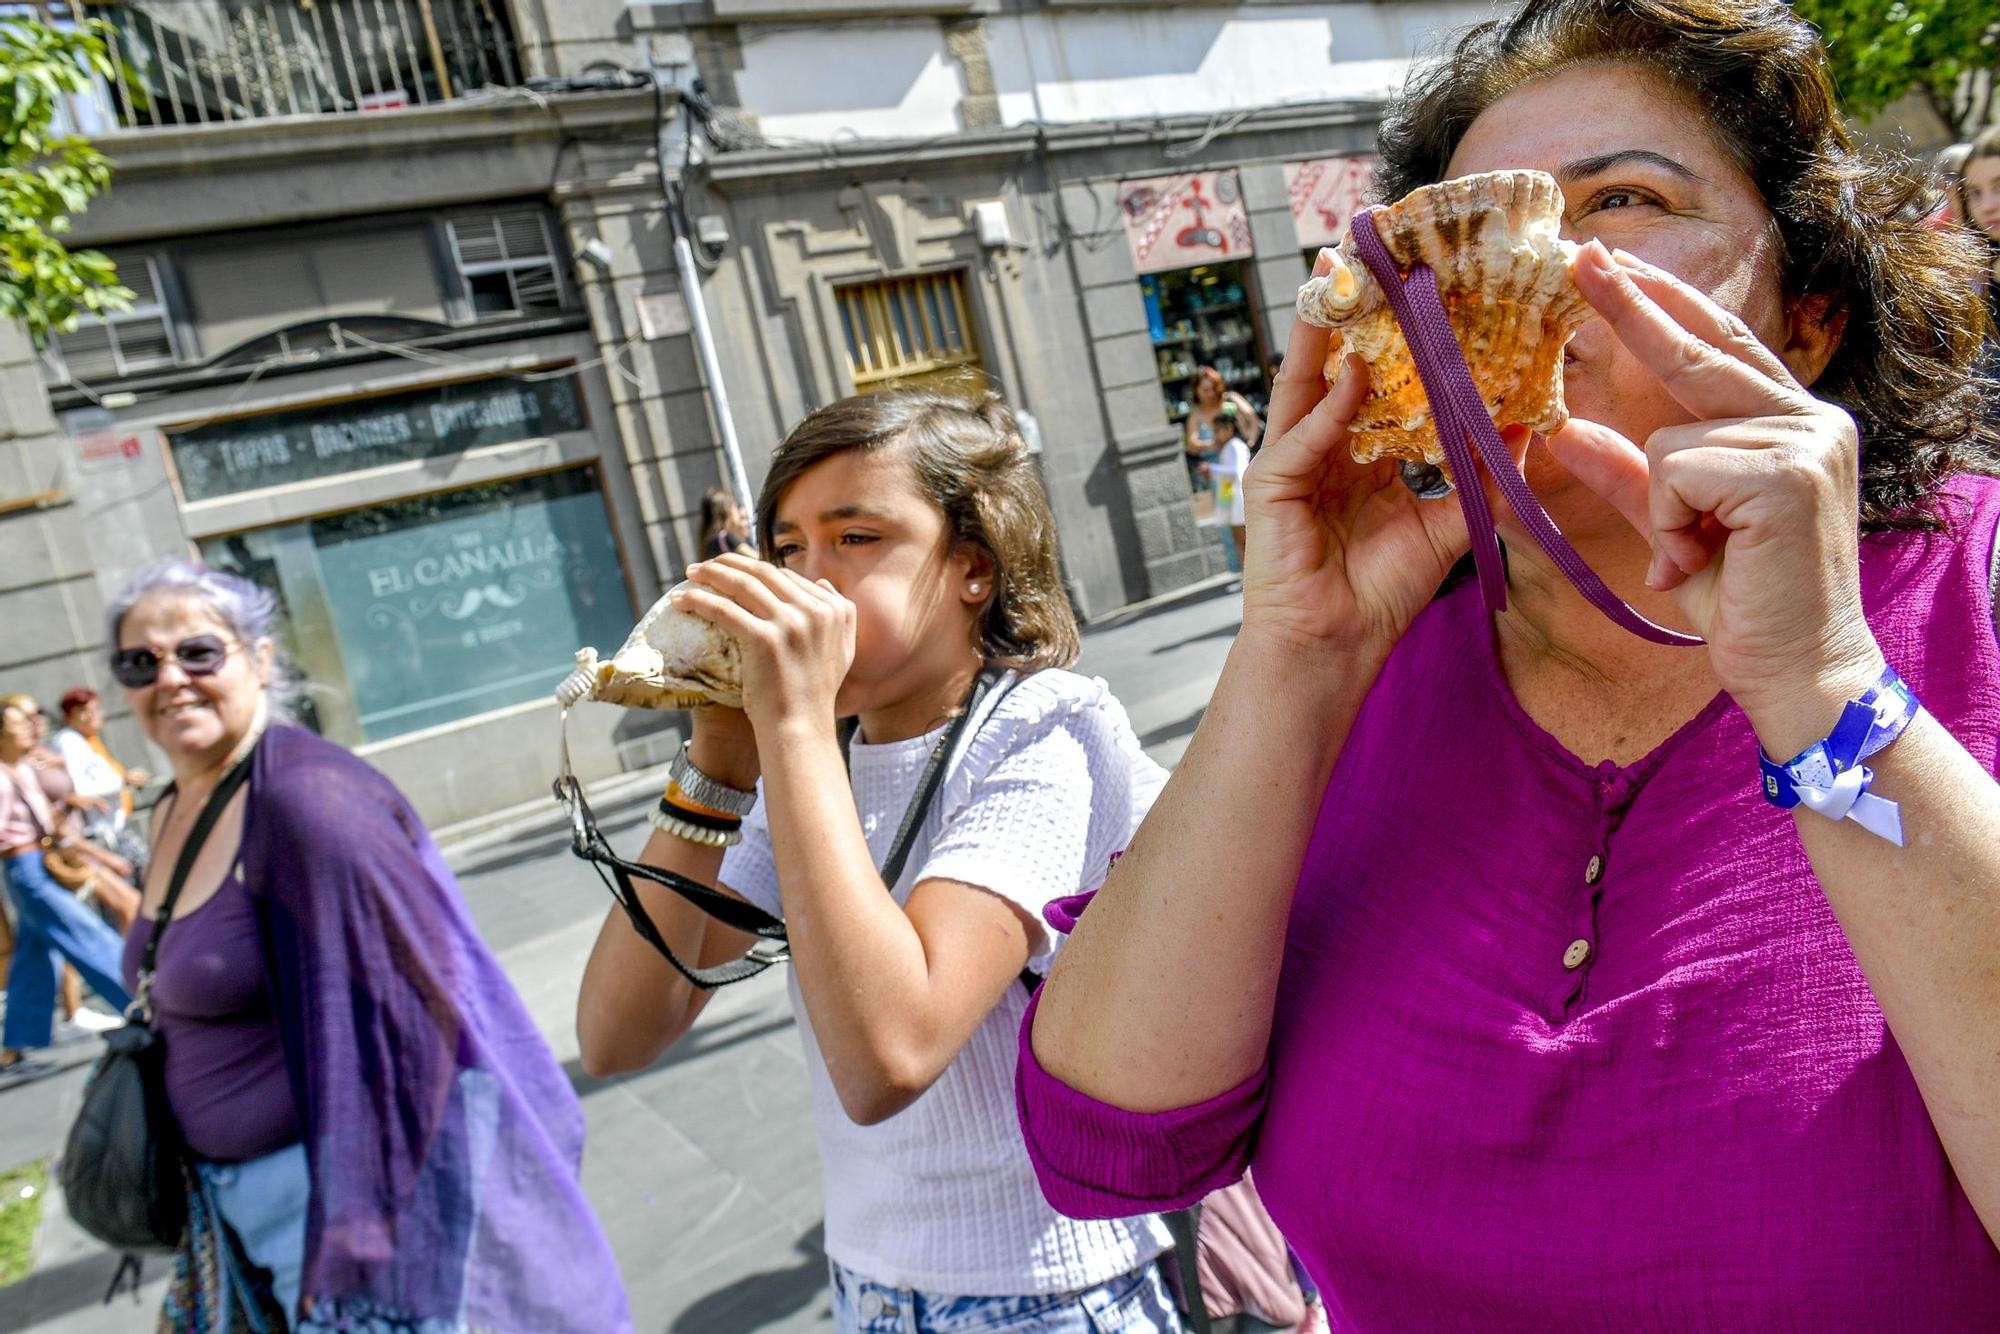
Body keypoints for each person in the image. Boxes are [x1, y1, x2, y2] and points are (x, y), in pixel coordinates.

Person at [1018, 0, 2000, 1326]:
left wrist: (1823, 681)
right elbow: (1109, 1148)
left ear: (1809, 319)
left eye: (1622, 200)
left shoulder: (1973, 591)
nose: (1524, 262)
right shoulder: (1369, 665)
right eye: (1472, 226)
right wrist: (1296, 653)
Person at [577, 388, 1181, 1332]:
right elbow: (620, 1033)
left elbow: (889, 1057)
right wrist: (715, 771)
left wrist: (789, 728)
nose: (808, 585)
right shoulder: (810, 763)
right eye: (786, 547)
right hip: (869, 1284)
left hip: (1051, 1291)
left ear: (973, 566)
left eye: (855, 539)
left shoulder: (1040, 728)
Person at [104, 560, 628, 1331]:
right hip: (233, 1205)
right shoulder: (172, 804)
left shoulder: (309, 805)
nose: (170, 678)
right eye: (139, 662)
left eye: (198, 652)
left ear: (260, 657)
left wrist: (358, 1240)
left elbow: (418, 1033)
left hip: (332, 1211)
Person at [1, 693, 132, 1085]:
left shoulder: (21, 767)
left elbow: (52, 819)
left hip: (37, 863)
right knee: (88, 936)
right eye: (19, 721)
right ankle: (148, 1008)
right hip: (24, 868)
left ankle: (12, 1051)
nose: (30, 726)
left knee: (34, 960)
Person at [51, 686, 149, 859]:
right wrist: (123, 780)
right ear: (68, 716)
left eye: (95, 709)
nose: (92, 715)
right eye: (82, 711)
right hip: (99, 834)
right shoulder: (69, 741)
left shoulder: (88, 740)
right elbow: (79, 789)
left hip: (112, 830)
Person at [1200, 407, 1251, 567]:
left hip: (1238, 496)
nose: (1216, 435)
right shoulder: (1228, 447)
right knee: (1239, 539)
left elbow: (1237, 471)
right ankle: (1244, 576)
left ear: (1229, 428)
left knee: (1244, 540)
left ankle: (1248, 576)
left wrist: (1212, 469)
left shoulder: (1236, 445)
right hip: (1231, 495)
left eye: (1218, 431)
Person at [1182, 366, 1262, 461]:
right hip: (1216, 467)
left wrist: (1250, 443)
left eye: (1213, 388)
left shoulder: (1228, 402)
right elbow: (1192, 444)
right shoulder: (1196, 415)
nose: (1211, 394)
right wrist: (1212, 444)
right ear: (1196, 391)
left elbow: (1252, 419)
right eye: (1205, 390)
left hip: (1242, 459)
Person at [697, 485, 755, 559]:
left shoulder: (708, 542)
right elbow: (759, 560)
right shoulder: (725, 538)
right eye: (735, 507)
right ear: (727, 511)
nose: (738, 511)